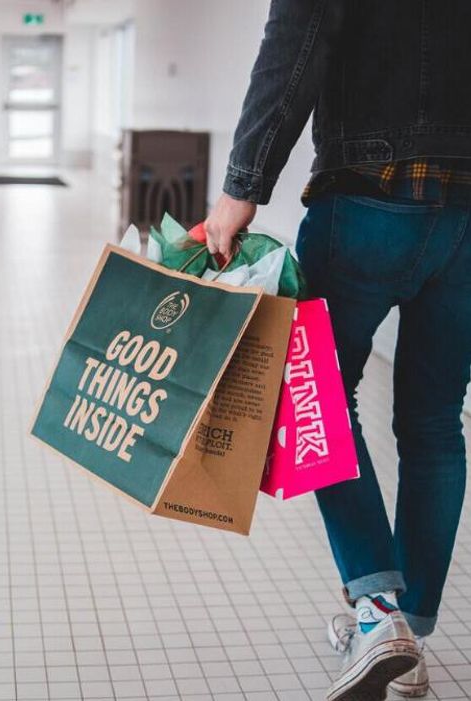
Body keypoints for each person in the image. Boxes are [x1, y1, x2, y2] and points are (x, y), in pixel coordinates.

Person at [206, 4, 471, 699]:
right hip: (466, 212)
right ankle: (407, 634)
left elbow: (296, 39)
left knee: (317, 397)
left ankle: (377, 610)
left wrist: (241, 186)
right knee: (434, 422)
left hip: (362, 200)